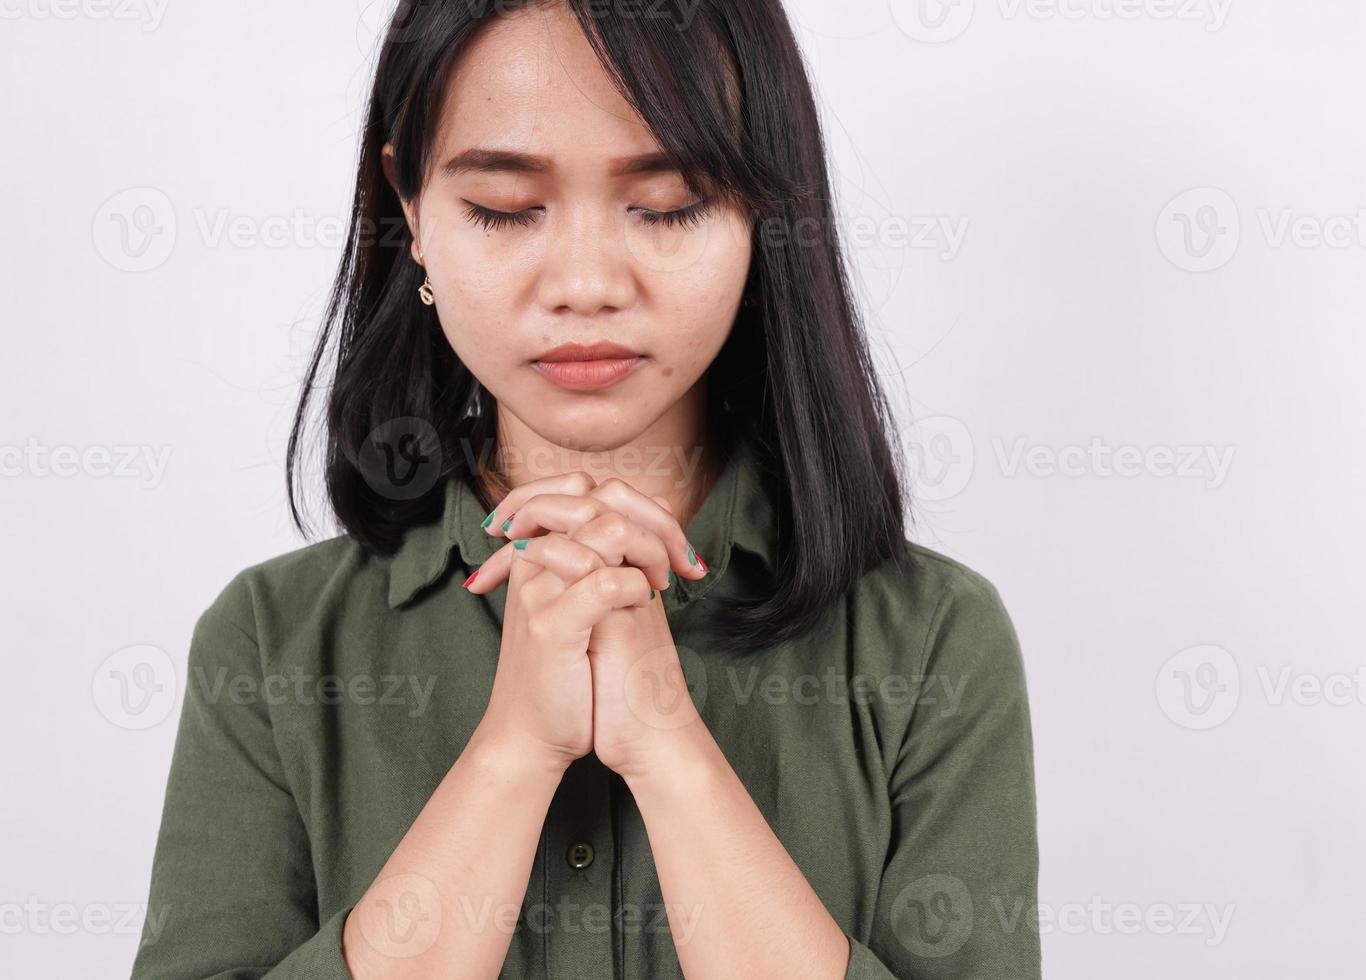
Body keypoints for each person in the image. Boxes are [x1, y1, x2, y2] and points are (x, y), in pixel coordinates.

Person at [131, 2, 1041, 978]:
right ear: (409, 207)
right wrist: (512, 751)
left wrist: (669, 748)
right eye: (504, 208)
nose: (584, 283)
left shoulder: (932, 638)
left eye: (666, 204)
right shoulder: (273, 641)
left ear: (760, 214)